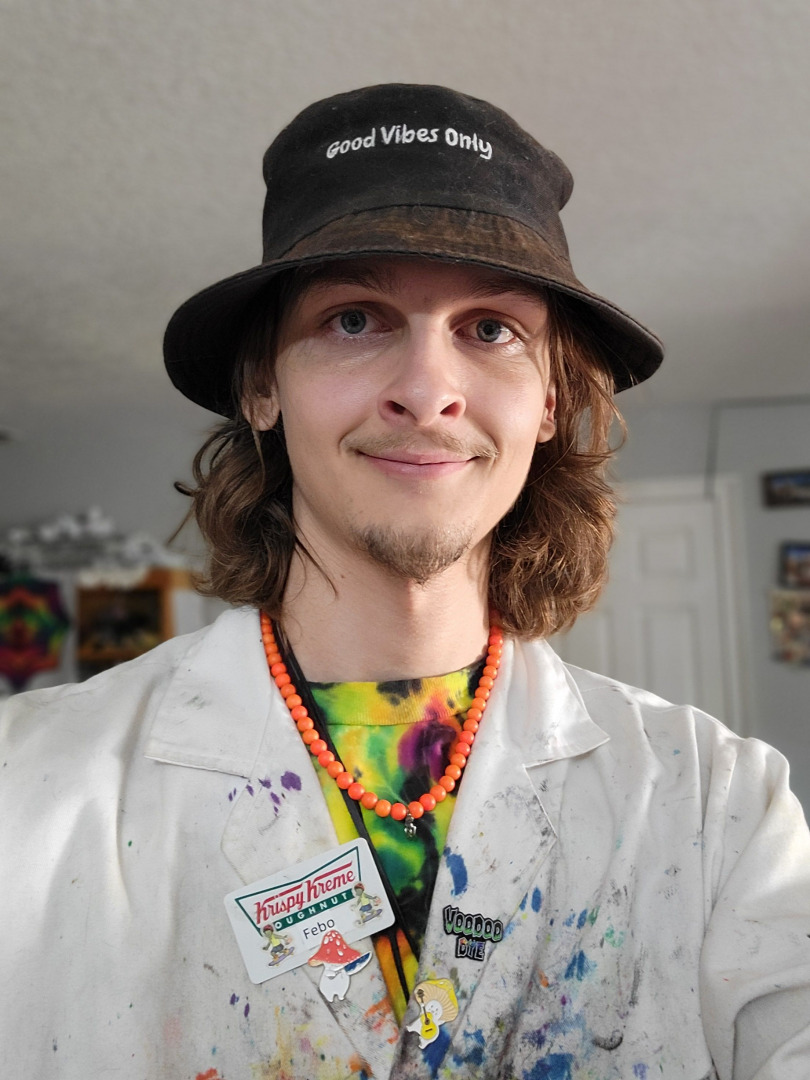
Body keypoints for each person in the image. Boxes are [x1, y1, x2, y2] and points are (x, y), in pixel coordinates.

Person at [1, 83, 808, 1080]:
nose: (427, 393)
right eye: (355, 319)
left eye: (491, 329)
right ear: (261, 385)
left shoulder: (716, 808)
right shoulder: (26, 791)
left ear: (549, 400)